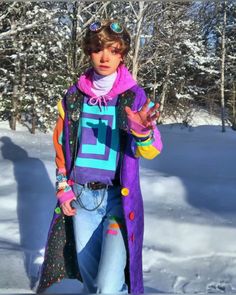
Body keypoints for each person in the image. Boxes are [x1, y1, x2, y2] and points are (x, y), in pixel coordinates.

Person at [37, 19, 163, 294]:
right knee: (91, 283)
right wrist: (63, 189)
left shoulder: (134, 97)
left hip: (117, 200)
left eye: (114, 50)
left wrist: (143, 133)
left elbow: (153, 150)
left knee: (108, 286)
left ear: (122, 54)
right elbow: (60, 147)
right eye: (98, 49)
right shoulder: (73, 97)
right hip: (81, 200)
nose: (105, 57)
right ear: (88, 51)